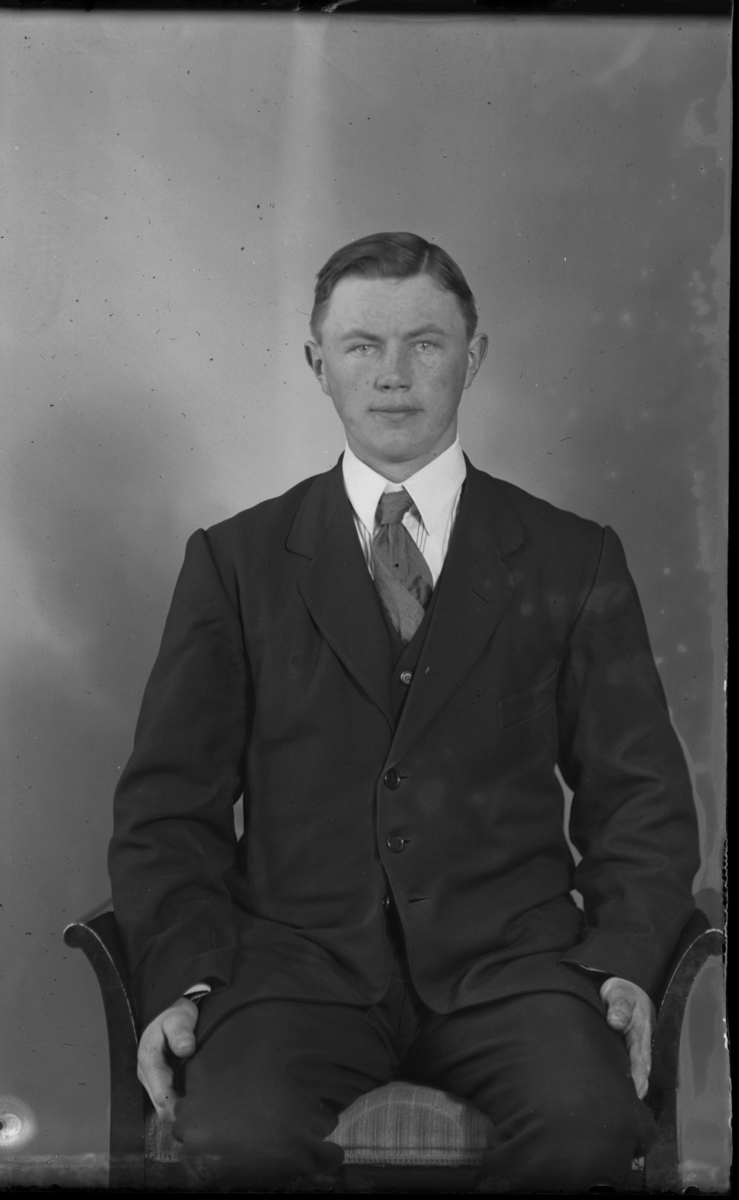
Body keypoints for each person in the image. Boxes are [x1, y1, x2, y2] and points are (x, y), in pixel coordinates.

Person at [108, 232, 699, 1192]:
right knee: (236, 1134)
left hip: (513, 971)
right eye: (361, 346)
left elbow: (641, 796)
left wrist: (625, 960)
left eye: (425, 343)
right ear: (318, 365)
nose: (392, 374)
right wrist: (183, 979)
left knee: (587, 1123)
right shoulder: (235, 561)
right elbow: (166, 810)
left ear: (473, 358)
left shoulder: (572, 556)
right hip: (294, 971)